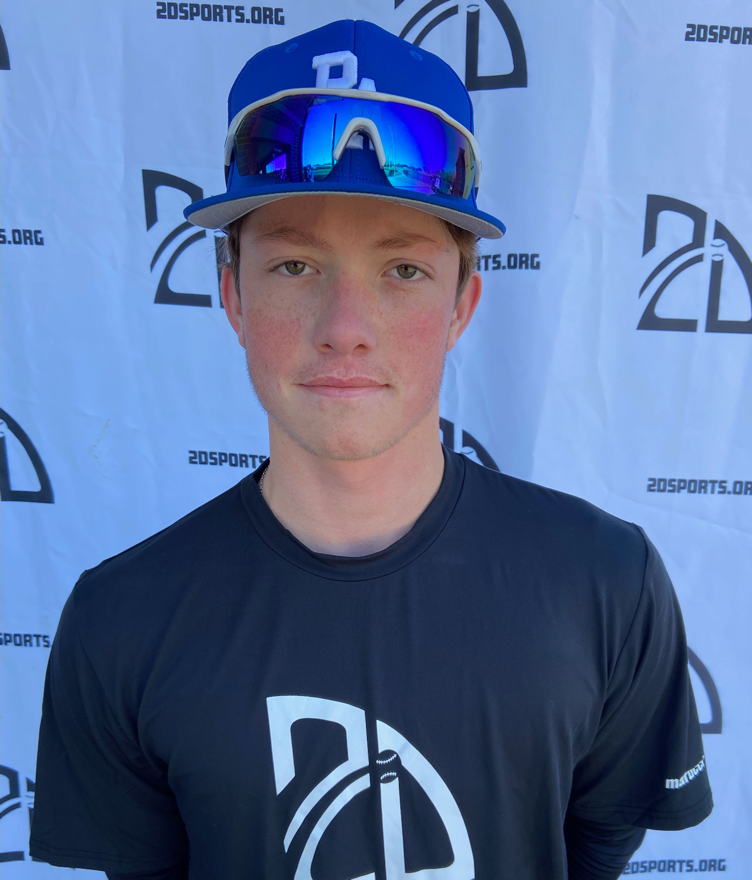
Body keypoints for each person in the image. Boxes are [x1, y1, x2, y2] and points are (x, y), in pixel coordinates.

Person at [30, 18, 712, 880]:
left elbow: (597, 846)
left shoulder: (606, 583)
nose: (345, 329)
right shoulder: (121, 619)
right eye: (294, 267)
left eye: (403, 271)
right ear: (232, 296)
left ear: (462, 305)